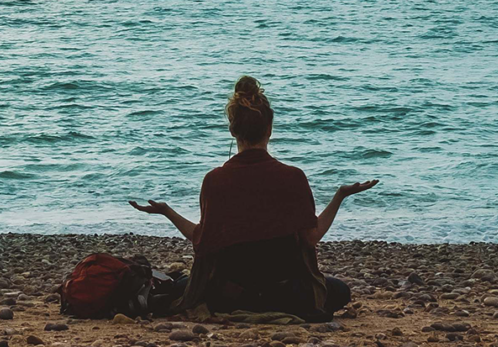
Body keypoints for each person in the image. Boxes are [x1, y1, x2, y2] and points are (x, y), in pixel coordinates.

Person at [130, 76, 378, 322]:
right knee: (340, 291)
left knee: (181, 283)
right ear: (269, 129)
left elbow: (202, 242)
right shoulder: (293, 177)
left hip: (229, 296)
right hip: (286, 294)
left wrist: (167, 211)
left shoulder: (215, 180)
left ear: (232, 130)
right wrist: (340, 196)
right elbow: (311, 238)